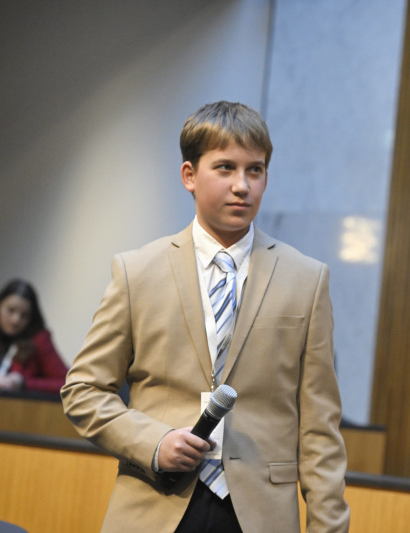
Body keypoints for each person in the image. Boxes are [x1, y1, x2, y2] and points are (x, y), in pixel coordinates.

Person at [61, 101, 350, 533]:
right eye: (225, 168)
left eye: (255, 170)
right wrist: (154, 442)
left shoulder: (306, 280)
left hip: (260, 515)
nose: (242, 186)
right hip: (155, 504)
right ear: (189, 176)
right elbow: (83, 391)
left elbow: (320, 429)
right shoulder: (137, 272)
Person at [0, 279, 68, 394]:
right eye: (11, 310)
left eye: (24, 315)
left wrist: (24, 383)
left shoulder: (39, 339)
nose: (16, 320)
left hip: (19, 405)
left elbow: (68, 383)